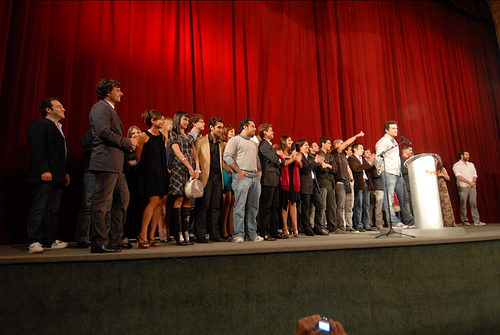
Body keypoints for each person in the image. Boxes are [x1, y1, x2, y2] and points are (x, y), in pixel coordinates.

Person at [89, 78, 138, 253]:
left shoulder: (110, 109)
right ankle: (98, 242)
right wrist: (127, 142)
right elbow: (103, 131)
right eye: (118, 89)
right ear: (108, 92)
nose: (121, 93)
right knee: (101, 203)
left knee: (123, 200)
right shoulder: (100, 107)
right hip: (105, 162)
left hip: (116, 165)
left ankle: (116, 239)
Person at [26, 98, 70, 253]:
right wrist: (44, 170)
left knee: (52, 209)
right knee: (39, 208)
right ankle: (33, 241)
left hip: (57, 176)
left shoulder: (59, 128)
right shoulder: (39, 125)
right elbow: (37, 149)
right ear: (48, 110)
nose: (63, 109)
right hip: (43, 175)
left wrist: (65, 172)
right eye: (59, 106)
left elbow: (60, 154)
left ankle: (49, 240)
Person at [223, 118, 264, 243]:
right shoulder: (235, 140)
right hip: (242, 177)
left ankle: (252, 233)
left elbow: (256, 159)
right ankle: (238, 234)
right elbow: (227, 156)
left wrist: (259, 171)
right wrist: (238, 171)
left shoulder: (253, 143)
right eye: (252, 126)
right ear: (245, 127)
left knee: (254, 207)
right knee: (239, 207)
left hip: (254, 178)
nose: (255, 128)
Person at [135, 110, 170, 248]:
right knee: (153, 201)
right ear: (153, 121)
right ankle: (142, 235)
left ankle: (151, 236)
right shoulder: (143, 136)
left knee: (160, 202)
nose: (163, 121)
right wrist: (147, 172)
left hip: (161, 174)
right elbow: (139, 157)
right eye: (160, 119)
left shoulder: (162, 137)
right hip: (149, 174)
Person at [168, 111, 201, 245]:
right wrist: (188, 166)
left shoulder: (189, 136)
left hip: (191, 171)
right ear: (178, 120)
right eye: (184, 119)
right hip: (179, 169)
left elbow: (195, 154)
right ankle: (179, 234)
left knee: (188, 199)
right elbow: (177, 151)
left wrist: (197, 168)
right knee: (179, 199)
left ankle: (186, 232)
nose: (187, 122)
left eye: (188, 120)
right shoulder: (173, 134)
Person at [195, 116, 229, 243]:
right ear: (211, 127)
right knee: (204, 206)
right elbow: (196, 158)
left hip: (217, 177)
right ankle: (200, 234)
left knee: (216, 206)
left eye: (222, 127)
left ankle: (215, 234)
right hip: (205, 177)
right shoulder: (200, 141)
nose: (221, 130)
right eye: (219, 127)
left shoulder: (220, 144)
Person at [374, 121, 414, 228]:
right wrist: (379, 168)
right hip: (388, 171)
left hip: (397, 172)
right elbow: (378, 157)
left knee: (404, 197)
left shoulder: (395, 141)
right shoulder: (382, 142)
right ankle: (394, 221)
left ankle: (409, 220)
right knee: (389, 197)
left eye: (396, 128)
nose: (396, 130)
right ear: (386, 130)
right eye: (393, 128)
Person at [331, 131, 365, 233]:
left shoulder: (343, 157)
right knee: (340, 206)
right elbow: (345, 144)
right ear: (337, 145)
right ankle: (342, 226)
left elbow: (348, 168)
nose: (344, 144)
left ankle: (350, 226)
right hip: (340, 182)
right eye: (341, 143)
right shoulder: (335, 153)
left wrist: (352, 180)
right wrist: (356, 136)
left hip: (348, 182)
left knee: (349, 205)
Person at [257, 124, 285, 240]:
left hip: (274, 178)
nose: (273, 132)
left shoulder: (270, 147)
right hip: (268, 179)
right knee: (266, 206)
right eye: (270, 130)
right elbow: (275, 159)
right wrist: (279, 159)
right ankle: (264, 231)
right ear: (264, 132)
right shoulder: (263, 145)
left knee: (275, 206)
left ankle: (274, 230)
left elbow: (279, 160)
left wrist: (279, 159)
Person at [297, 139, 325, 236]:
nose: (307, 147)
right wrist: (315, 161)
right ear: (300, 147)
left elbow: (316, 169)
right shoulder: (299, 156)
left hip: (314, 183)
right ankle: (307, 228)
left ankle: (317, 227)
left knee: (320, 205)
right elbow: (305, 169)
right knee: (306, 207)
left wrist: (319, 163)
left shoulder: (309, 157)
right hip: (305, 183)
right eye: (305, 145)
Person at [276, 135, 302, 237]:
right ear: (283, 142)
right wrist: (293, 158)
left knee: (294, 204)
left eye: (291, 139)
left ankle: (295, 229)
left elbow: (300, 165)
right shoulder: (279, 152)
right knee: (285, 204)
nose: (291, 141)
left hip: (294, 180)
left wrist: (298, 159)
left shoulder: (294, 152)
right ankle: (285, 228)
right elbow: (284, 164)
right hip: (284, 181)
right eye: (289, 140)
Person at [348, 143, 376, 232]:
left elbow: (368, 169)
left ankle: (367, 224)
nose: (362, 150)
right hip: (359, 184)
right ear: (355, 149)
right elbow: (357, 168)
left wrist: (371, 163)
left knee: (366, 205)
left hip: (366, 182)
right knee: (358, 205)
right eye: (361, 148)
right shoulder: (352, 159)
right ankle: (358, 224)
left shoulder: (363, 159)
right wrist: (369, 163)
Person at [122, 125, 142, 249]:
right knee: (128, 210)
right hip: (129, 181)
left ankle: (141, 236)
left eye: (138, 132)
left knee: (141, 209)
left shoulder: (144, 148)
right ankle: (125, 236)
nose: (135, 134)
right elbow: (125, 164)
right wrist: (134, 163)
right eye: (133, 133)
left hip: (142, 182)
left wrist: (136, 162)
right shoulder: (126, 149)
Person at [452, 150, 484, 225]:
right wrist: (469, 183)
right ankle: (464, 220)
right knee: (463, 203)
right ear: (462, 156)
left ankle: (476, 220)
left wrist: (472, 183)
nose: (468, 156)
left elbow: (475, 175)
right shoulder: (456, 165)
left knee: (473, 203)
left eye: (468, 154)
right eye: (466, 154)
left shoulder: (471, 164)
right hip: (463, 187)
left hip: (472, 186)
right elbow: (458, 176)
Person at [316, 137, 337, 234]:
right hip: (322, 182)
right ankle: (322, 225)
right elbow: (320, 168)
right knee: (322, 206)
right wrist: (327, 166)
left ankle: (332, 226)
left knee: (332, 206)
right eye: (328, 143)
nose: (330, 145)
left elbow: (335, 168)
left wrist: (328, 166)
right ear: (323, 144)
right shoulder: (318, 154)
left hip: (331, 183)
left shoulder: (330, 156)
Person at [158, 117, 173, 243]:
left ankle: (168, 228)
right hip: (162, 173)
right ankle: (160, 230)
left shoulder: (171, 139)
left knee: (169, 203)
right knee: (161, 202)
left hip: (172, 174)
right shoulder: (161, 139)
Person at [219, 125, 236, 239]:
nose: (233, 134)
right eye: (231, 132)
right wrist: (230, 171)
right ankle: (223, 229)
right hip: (227, 173)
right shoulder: (224, 144)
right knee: (226, 203)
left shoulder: (234, 145)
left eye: (234, 132)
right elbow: (222, 161)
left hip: (234, 173)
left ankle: (232, 229)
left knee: (232, 203)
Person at [435, 155, 458, 227]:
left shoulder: (442, 169)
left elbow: (448, 178)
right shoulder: (430, 169)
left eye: (435, 161)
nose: (434, 162)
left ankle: (451, 222)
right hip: (434, 188)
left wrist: (442, 175)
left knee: (446, 205)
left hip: (443, 188)